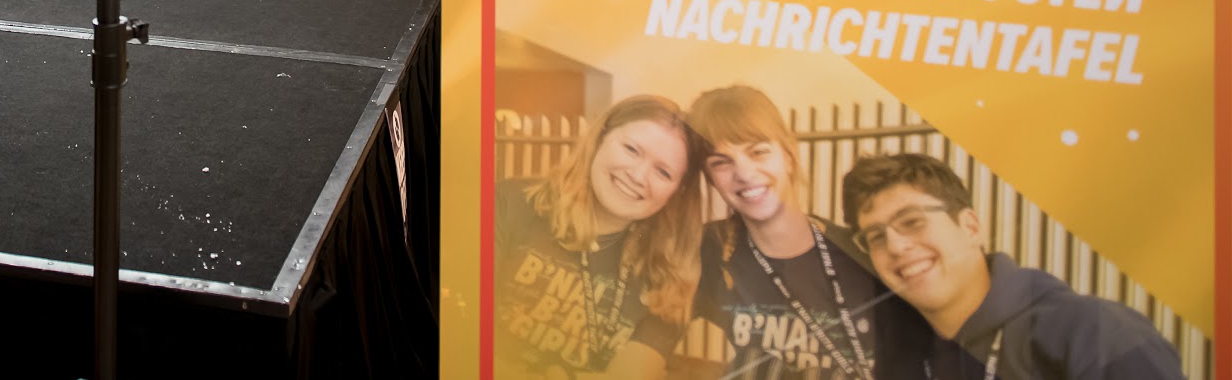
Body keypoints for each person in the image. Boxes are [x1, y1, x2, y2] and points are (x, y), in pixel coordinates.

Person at [843, 154, 1180, 380]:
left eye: (913, 222)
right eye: (875, 237)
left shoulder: (1092, 331)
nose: (896, 247)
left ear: (971, 227)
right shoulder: (900, 358)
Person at [687, 86, 925, 380]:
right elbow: (650, 333)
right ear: (711, 180)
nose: (745, 174)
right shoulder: (711, 251)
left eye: (758, 152)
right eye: (721, 163)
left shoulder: (863, 253)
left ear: (788, 156)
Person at [494, 94, 706, 380]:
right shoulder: (508, 205)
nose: (638, 175)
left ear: (677, 191)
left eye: (663, 172)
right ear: (600, 138)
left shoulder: (668, 272)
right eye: (631, 149)